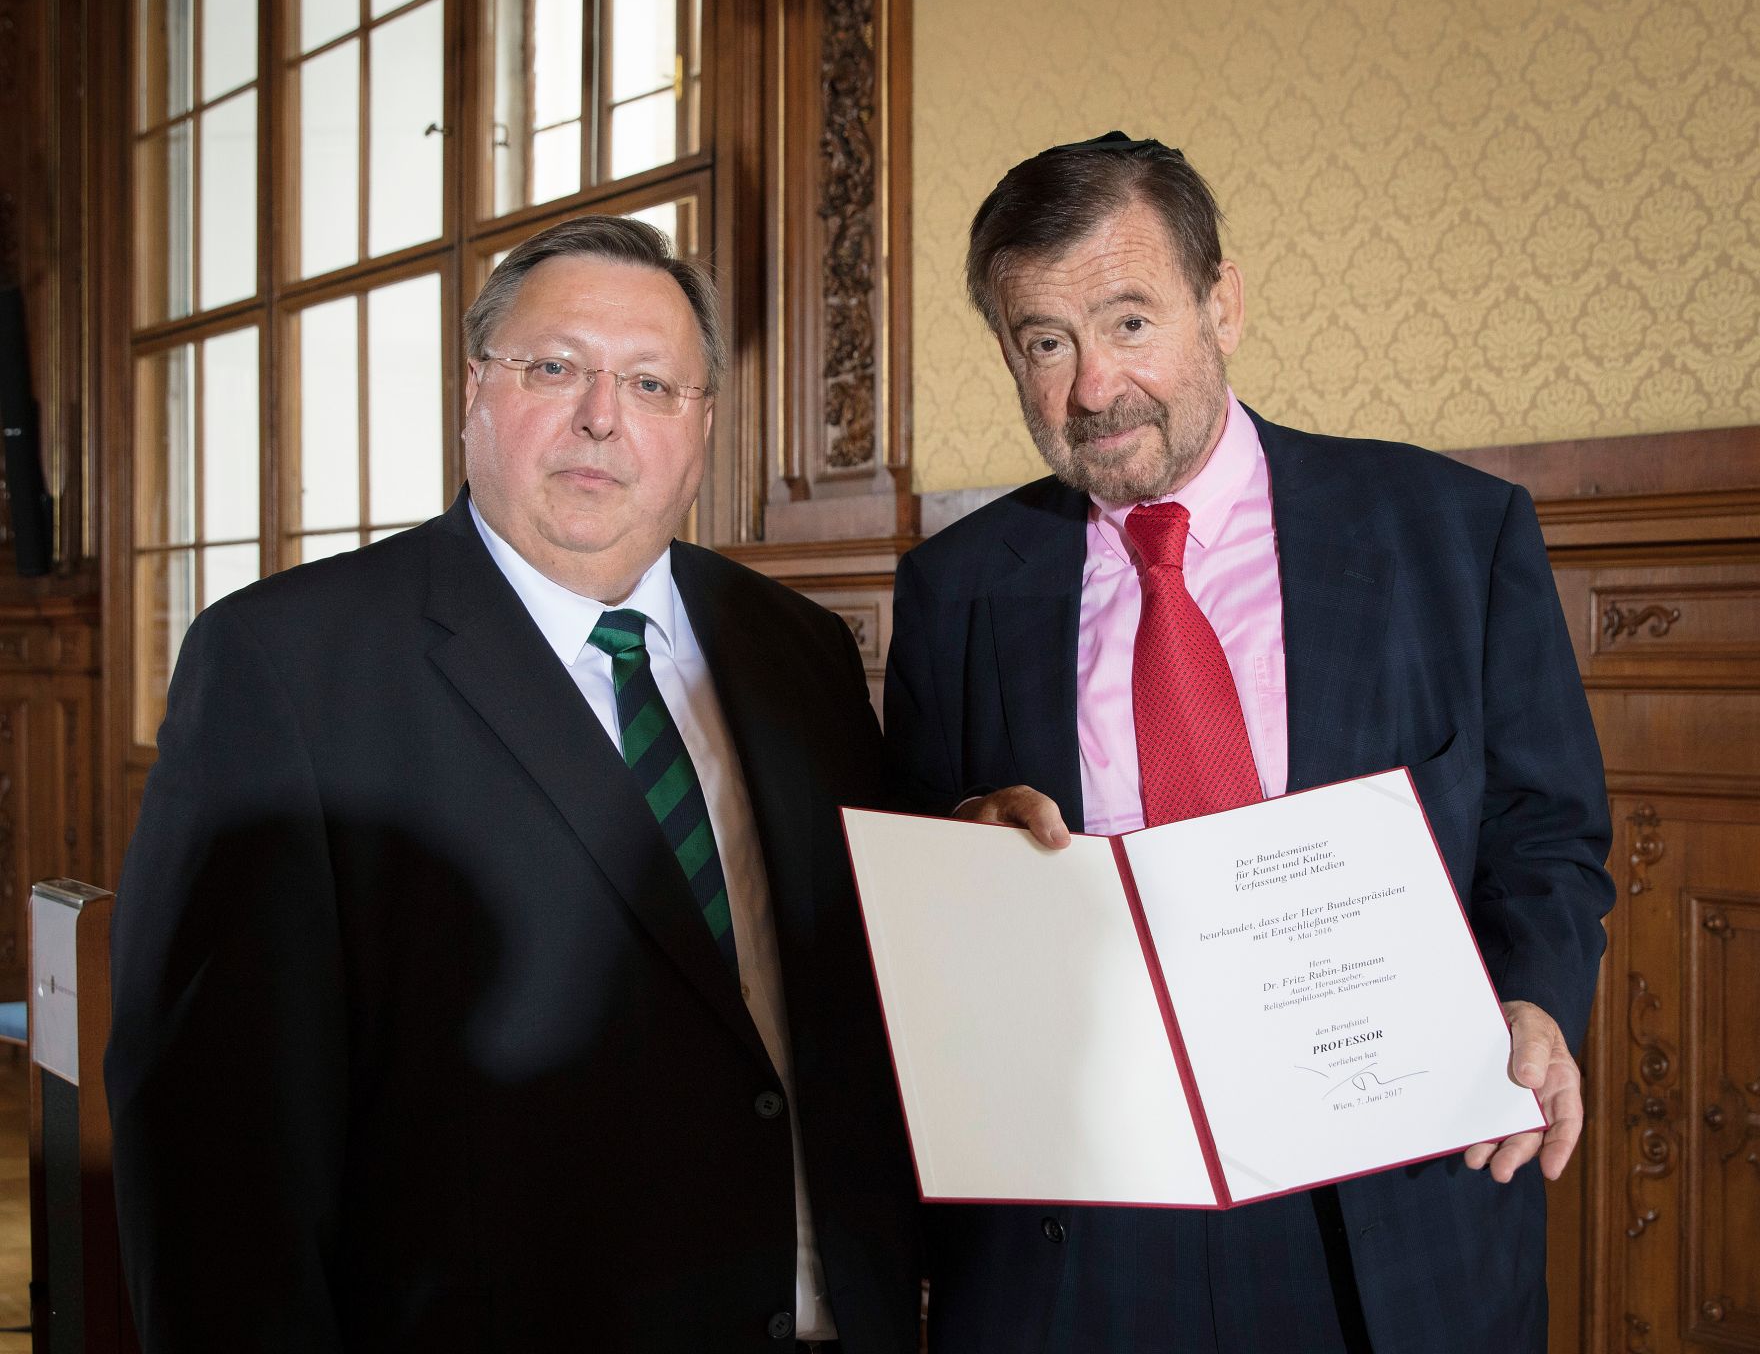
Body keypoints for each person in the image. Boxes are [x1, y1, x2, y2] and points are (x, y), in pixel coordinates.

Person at [107, 216, 920, 1353]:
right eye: (555, 368)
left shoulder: (799, 652)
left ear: (700, 427)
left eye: (649, 382)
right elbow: (213, 1146)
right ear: (472, 391)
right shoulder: (286, 665)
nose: (602, 415)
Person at [884, 133, 1615, 1353]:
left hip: (1389, 1212)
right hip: (1081, 1230)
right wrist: (957, 860)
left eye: (1128, 322)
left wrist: (1533, 994)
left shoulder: (1449, 532)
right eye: (1043, 341)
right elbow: (912, 899)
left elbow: (1543, 829)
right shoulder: (953, 588)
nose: (1092, 390)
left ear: (1220, 300)